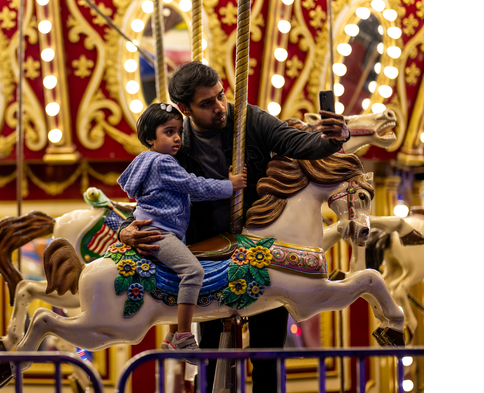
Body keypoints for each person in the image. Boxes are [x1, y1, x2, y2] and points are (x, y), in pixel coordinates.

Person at [117, 62, 349, 392]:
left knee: (268, 352)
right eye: (207, 103)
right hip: (210, 251)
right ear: (185, 109)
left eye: (221, 96)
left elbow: (295, 142)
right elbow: (148, 194)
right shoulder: (174, 142)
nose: (220, 107)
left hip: (259, 249)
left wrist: (333, 139)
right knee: (211, 354)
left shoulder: (248, 120)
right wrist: (126, 228)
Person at [117, 102, 248, 364]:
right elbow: (194, 186)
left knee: (183, 272)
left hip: (163, 230)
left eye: (178, 131)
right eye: (168, 132)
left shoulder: (149, 161)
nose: (177, 137)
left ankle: (171, 335)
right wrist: (229, 185)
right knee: (193, 272)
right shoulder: (163, 163)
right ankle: (184, 336)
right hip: (159, 233)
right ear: (150, 138)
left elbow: (188, 193)